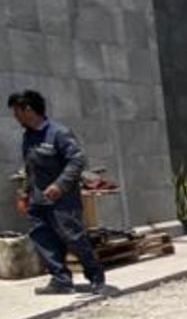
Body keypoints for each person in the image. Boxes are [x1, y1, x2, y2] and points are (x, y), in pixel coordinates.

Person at [8, 90, 110, 296]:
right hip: (38, 199)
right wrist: (24, 193)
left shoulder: (59, 133)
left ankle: (96, 277)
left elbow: (77, 160)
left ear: (28, 110)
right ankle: (60, 279)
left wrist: (60, 185)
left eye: (16, 112)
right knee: (43, 239)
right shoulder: (28, 136)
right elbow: (30, 168)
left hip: (63, 199)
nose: (15, 117)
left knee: (73, 237)